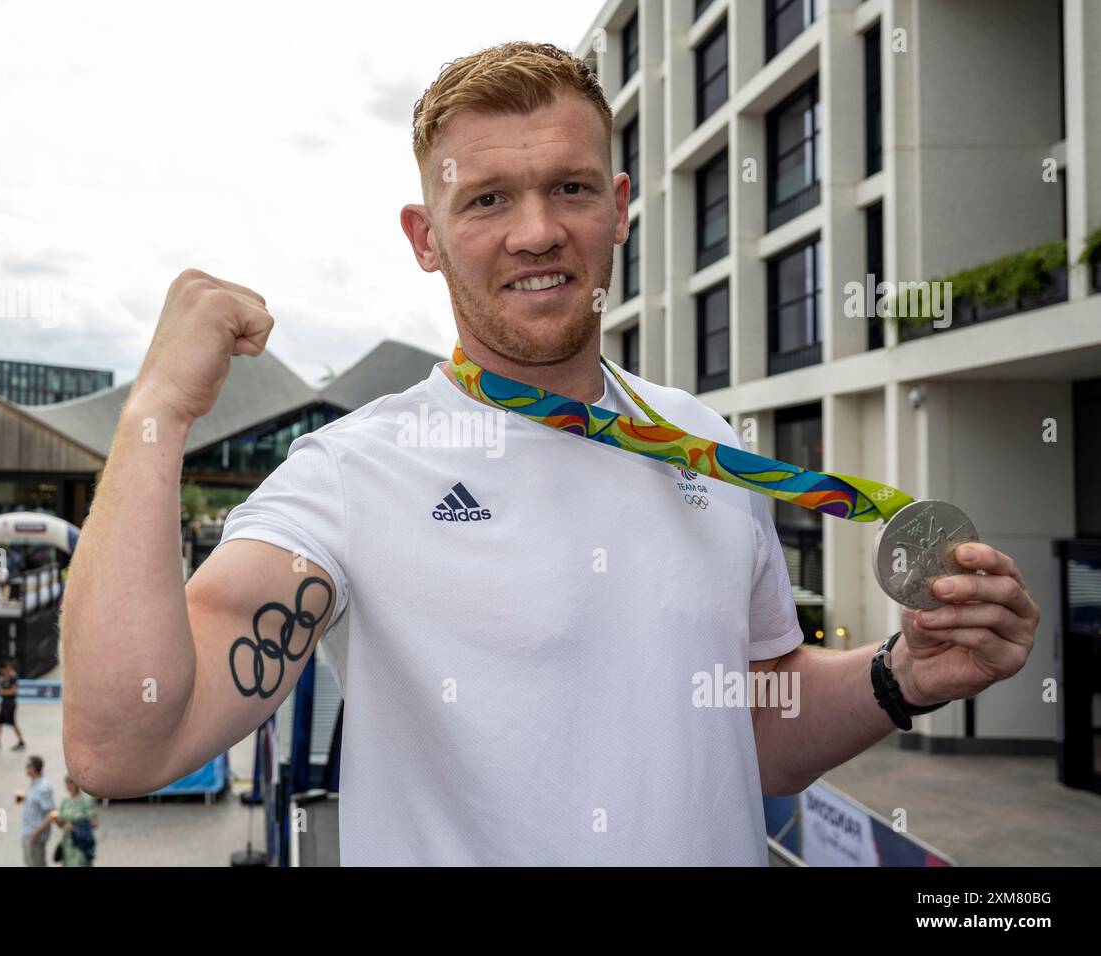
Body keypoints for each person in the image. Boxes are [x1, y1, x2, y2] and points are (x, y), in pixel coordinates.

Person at [60, 42, 1041, 865]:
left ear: (616, 206)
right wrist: (156, 411)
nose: (536, 232)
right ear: (425, 235)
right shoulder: (351, 475)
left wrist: (899, 673)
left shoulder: (708, 444)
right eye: (486, 200)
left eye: (567, 188)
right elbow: (123, 741)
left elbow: (753, 730)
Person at [16, 755, 56, 866]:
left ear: (35, 769)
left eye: (28, 766)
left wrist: (36, 833)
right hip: (28, 831)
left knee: (36, 863)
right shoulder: (34, 783)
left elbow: (51, 813)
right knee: (30, 862)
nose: (26, 769)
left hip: (35, 834)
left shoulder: (44, 787)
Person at [51, 774, 99, 867]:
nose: (69, 787)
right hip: (67, 842)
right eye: (67, 785)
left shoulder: (86, 800)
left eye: (71, 784)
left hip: (80, 841)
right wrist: (55, 819)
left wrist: (78, 826)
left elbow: (95, 823)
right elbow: (60, 824)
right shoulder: (65, 801)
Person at [0, 660, 25, 751]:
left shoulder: (13, 677)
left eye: (4, 669)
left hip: (10, 704)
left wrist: (1, 692)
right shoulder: (4, 677)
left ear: (8, 668)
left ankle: (21, 742)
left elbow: (14, 691)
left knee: (13, 723)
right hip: (3, 703)